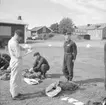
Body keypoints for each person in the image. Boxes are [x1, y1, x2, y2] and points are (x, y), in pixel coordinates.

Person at [8, 29, 31, 100]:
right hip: (16, 61)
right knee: (15, 78)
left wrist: (25, 48)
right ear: (18, 36)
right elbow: (19, 55)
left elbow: (19, 47)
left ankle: (15, 92)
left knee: (16, 78)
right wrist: (28, 52)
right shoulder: (14, 43)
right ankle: (14, 95)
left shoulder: (12, 41)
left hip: (15, 61)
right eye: (20, 38)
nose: (21, 39)